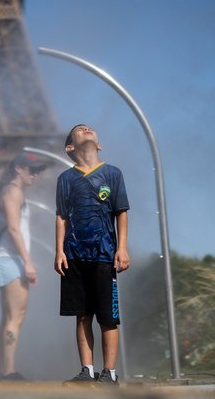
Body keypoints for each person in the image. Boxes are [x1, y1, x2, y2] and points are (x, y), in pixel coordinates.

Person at [54, 124, 130, 386]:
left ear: (100, 145)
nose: (86, 128)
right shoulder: (65, 178)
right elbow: (62, 216)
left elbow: (121, 211)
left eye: (90, 129)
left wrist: (122, 247)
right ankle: (87, 370)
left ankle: (109, 373)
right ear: (69, 148)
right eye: (79, 129)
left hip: (104, 254)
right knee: (82, 314)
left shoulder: (112, 174)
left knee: (108, 317)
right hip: (75, 255)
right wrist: (59, 251)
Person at [0, 151, 47, 381]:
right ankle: (8, 372)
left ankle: (2, 371)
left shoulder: (12, 192)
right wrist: (28, 262)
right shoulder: (13, 192)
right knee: (16, 315)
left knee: (9, 317)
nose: (35, 175)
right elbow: (14, 229)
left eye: (37, 171)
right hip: (11, 259)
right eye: (31, 170)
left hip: (8, 259)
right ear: (18, 169)